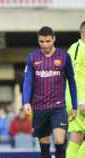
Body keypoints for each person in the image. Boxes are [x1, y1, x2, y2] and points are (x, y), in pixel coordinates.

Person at [23, 26, 77, 158]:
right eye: (41, 41)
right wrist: (25, 101)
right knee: (44, 143)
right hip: (39, 107)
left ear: (54, 39)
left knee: (59, 140)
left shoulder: (64, 57)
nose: (44, 44)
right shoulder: (32, 57)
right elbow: (28, 81)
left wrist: (74, 105)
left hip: (58, 107)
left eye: (47, 41)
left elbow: (72, 81)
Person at [66, 21, 85, 158]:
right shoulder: (77, 49)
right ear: (81, 32)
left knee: (77, 137)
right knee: (76, 135)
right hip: (78, 99)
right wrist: (79, 101)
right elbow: (72, 78)